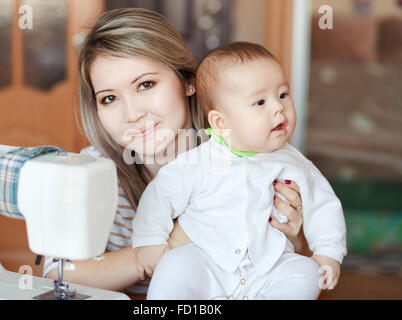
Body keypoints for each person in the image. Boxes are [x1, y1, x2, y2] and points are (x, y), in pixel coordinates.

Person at [43, 8, 311, 297]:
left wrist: (295, 239)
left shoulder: (248, 150)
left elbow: (296, 263)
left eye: (145, 85)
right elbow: (57, 274)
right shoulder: (94, 171)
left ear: (187, 81)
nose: (132, 113)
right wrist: (169, 243)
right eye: (109, 98)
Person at [132, 42, 347, 300]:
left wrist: (327, 252)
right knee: (175, 265)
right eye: (260, 102)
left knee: (306, 272)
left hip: (268, 266)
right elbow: (159, 196)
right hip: (207, 260)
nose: (278, 108)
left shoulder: (294, 163)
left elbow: (323, 205)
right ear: (221, 123)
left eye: (282, 94)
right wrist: (149, 240)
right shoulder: (198, 162)